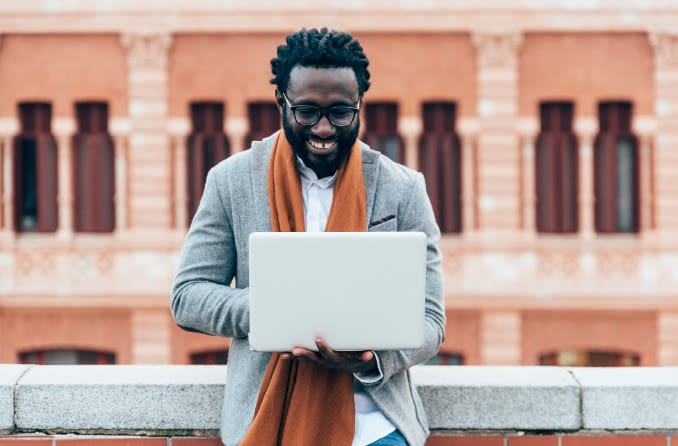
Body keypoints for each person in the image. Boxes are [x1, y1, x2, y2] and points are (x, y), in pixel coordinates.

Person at [171, 27, 445, 446]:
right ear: (281, 102)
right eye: (307, 112)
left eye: (340, 112)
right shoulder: (230, 181)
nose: (323, 128)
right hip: (266, 422)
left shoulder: (403, 188)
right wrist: (275, 311)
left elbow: (431, 321)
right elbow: (187, 297)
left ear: (359, 106)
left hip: (377, 428)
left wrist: (370, 357)